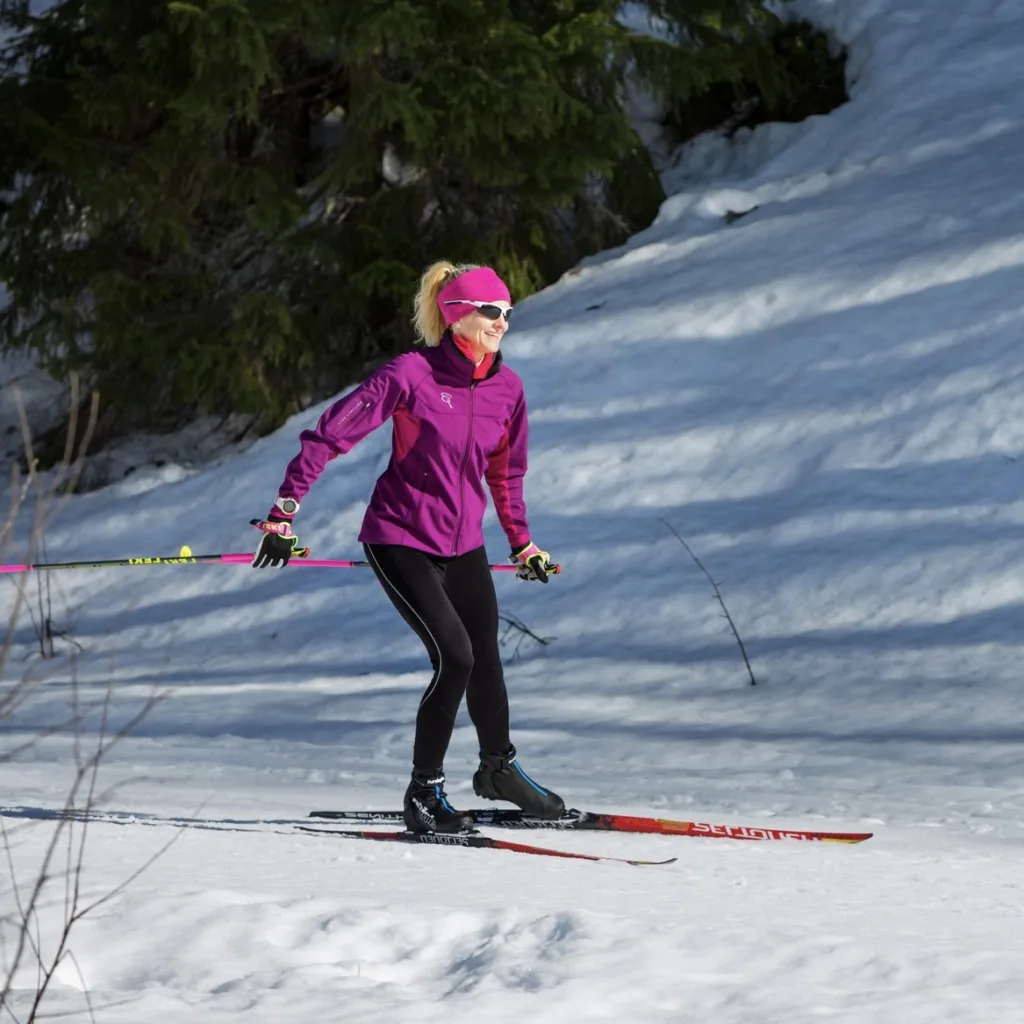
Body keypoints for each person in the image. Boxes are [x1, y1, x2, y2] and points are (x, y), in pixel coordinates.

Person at [250, 261, 565, 833]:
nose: (502, 322)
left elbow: (506, 474)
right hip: (399, 536)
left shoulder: (507, 388)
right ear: (456, 315)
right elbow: (330, 433)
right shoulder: (412, 373)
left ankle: (498, 768)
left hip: (462, 542)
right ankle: (425, 792)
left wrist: (522, 544)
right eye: (490, 312)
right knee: (457, 656)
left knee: (486, 657)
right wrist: (284, 513)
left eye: (507, 312)